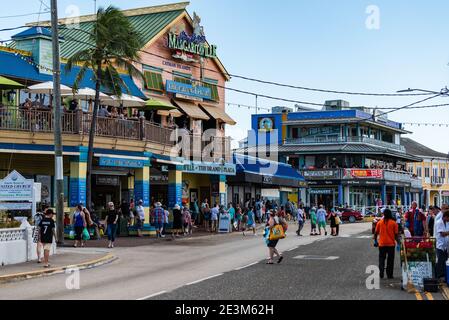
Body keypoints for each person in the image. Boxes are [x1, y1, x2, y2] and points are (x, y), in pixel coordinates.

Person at [374, 209, 399, 279]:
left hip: (382, 244)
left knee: (381, 258)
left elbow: (375, 233)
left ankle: (381, 271)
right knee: (390, 260)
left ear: (384, 214)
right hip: (391, 245)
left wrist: (375, 241)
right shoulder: (394, 223)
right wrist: (399, 243)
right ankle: (389, 275)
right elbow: (396, 235)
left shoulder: (380, 222)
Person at [435, 210, 449, 282]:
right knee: (440, 261)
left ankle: (443, 276)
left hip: (445, 245)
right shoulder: (439, 222)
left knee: (445, 261)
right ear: (445, 217)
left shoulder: (447, 223)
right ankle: (438, 277)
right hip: (440, 245)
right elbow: (442, 234)